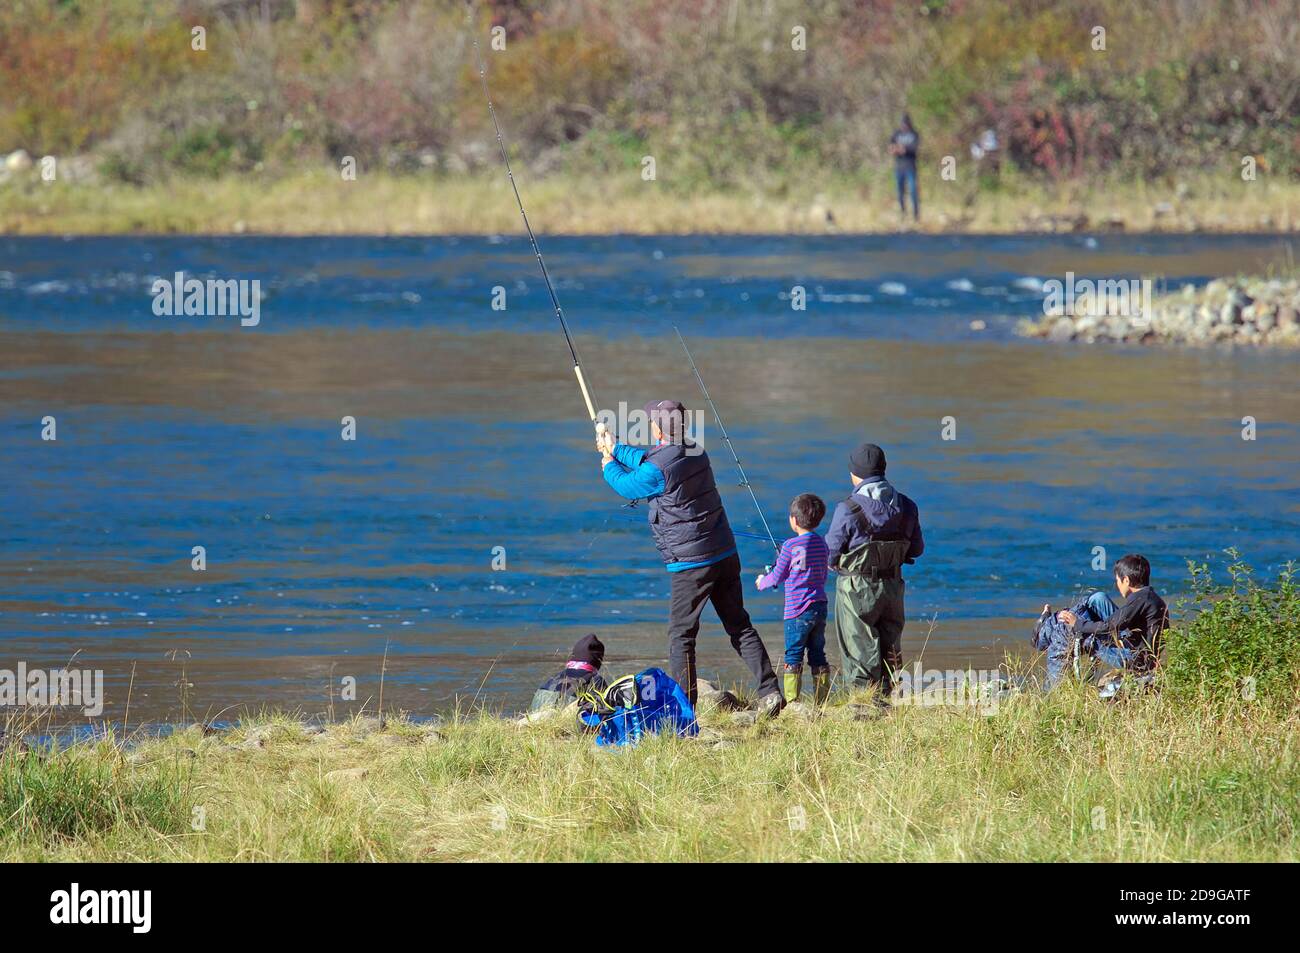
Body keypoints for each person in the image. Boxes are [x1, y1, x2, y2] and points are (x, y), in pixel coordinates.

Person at [598, 399, 783, 716]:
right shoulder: (694, 449)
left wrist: (607, 464)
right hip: (724, 553)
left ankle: (685, 709)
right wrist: (615, 447)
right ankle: (770, 691)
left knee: (681, 635)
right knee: (738, 625)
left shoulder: (659, 468)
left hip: (692, 564)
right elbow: (649, 459)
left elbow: (629, 485)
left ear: (657, 428)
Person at [825, 442, 924, 697]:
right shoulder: (908, 506)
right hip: (892, 588)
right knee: (891, 649)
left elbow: (831, 554)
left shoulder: (847, 509)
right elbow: (916, 550)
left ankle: (864, 706)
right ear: (883, 470)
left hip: (855, 591)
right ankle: (893, 702)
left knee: (859, 650)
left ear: (853, 474)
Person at [755, 493, 831, 705]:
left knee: (794, 655)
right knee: (817, 653)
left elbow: (778, 575)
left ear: (794, 521)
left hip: (797, 610)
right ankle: (821, 701)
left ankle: (792, 701)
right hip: (820, 606)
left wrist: (762, 581)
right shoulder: (822, 543)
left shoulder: (788, 546)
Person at [1059, 554, 1168, 673]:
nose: (1117, 585)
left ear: (1126, 580)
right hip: (1133, 643)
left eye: (1117, 580)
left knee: (1090, 640)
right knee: (1099, 598)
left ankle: (1073, 671)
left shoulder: (1140, 599)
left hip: (1135, 659)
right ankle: (1062, 623)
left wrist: (1078, 624)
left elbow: (1109, 626)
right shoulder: (1147, 596)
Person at [529, 633, 607, 712]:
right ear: (598, 660)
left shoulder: (555, 677)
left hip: (537, 713)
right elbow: (604, 708)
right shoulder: (595, 679)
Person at [889, 113, 920, 221]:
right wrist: (899, 149)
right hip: (899, 167)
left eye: (905, 124)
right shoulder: (896, 134)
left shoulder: (914, 134)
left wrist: (902, 149)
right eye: (902, 124)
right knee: (900, 192)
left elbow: (912, 149)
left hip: (910, 167)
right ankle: (903, 213)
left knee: (913, 190)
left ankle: (916, 215)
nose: (904, 126)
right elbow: (891, 149)